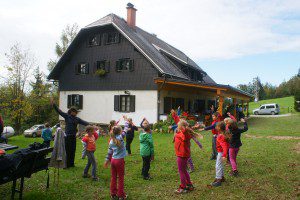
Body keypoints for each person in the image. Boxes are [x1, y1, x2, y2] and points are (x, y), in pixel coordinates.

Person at [51, 98, 89, 168]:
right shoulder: (67, 116)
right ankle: (66, 165)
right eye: (75, 112)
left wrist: (93, 125)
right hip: (67, 137)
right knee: (67, 151)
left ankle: (71, 164)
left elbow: (85, 123)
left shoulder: (77, 119)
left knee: (73, 150)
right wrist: (54, 105)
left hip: (73, 137)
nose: (76, 113)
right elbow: (59, 111)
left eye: (76, 112)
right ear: (71, 111)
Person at [173, 119, 202, 194]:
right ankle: (189, 184)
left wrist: (185, 128)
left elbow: (184, 132)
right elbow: (178, 122)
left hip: (182, 155)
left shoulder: (185, 134)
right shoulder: (181, 133)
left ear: (182, 127)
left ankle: (183, 187)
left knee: (181, 171)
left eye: (178, 126)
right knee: (184, 170)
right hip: (183, 154)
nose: (177, 127)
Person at [104, 126, 127, 200]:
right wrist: (126, 120)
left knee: (113, 177)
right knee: (121, 178)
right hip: (119, 161)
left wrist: (107, 160)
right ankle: (121, 195)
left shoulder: (111, 141)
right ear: (120, 132)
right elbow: (125, 130)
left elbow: (109, 152)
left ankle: (113, 194)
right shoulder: (121, 137)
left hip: (113, 160)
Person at [211, 121, 231, 187]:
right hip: (221, 153)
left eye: (216, 126)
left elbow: (225, 146)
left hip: (221, 153)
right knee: (220, 165)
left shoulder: (220, 136)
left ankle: (218, 180)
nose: (215, 127)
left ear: (219, 128)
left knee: (218, 166)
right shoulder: (223, 134)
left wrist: (224, 155)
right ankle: (222, 177)